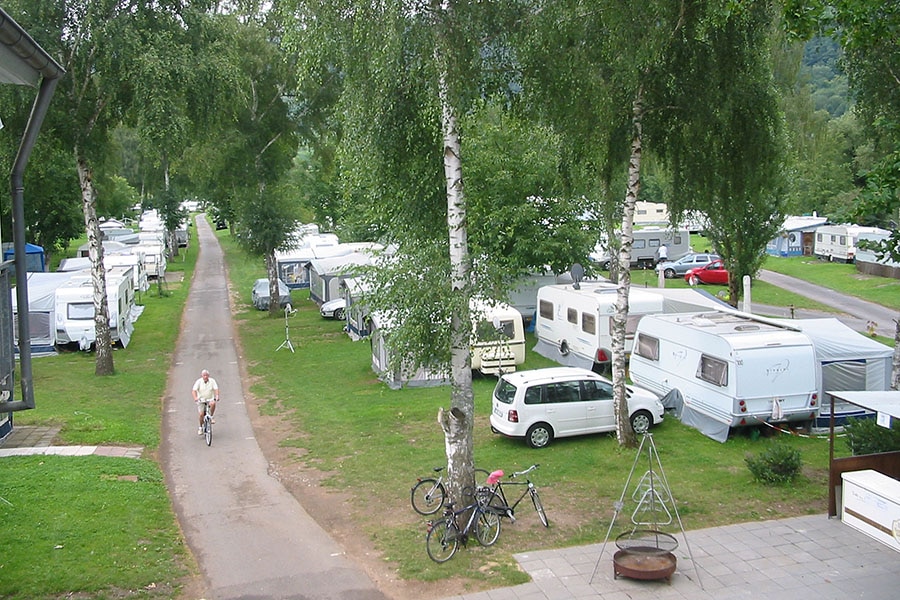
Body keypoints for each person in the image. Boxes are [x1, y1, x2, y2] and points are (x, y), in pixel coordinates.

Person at [192, 369, 219, 435]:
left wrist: (217, 396)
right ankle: (200, 427)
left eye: (206, 375)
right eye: (204, 375)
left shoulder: (212, 381)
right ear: (202, 376)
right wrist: (195, 398)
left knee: (213, 403)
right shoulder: (199, 382)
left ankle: (211, 417)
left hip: (210, 399)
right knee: (201, 414)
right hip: (201, 400)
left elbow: (216, 389)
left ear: (208, 376)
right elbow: (194, 390)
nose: (205, 377)